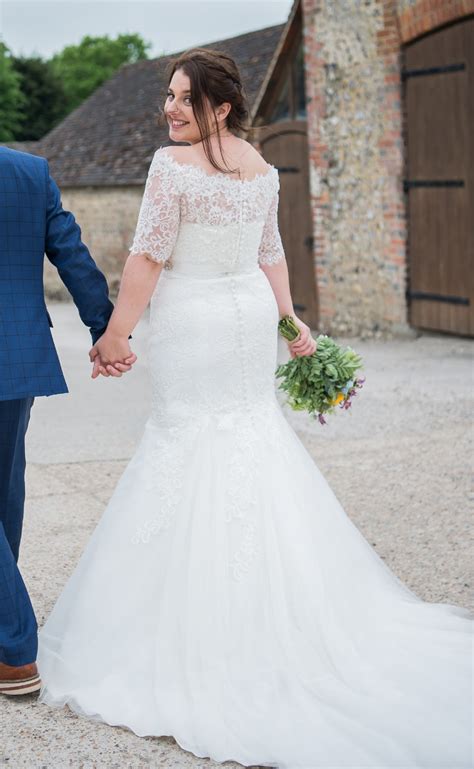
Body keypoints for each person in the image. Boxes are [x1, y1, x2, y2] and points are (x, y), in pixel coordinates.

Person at [36, 49, 472, 768]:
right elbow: (270, 253)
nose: (168, 110)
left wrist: (117, 332)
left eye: (182, 99)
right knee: (248, 435)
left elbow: (148, 257)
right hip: (242, 323)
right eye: (168, 98)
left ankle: (192, 632)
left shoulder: (169, 168)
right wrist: (288, 318)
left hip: (197, 321)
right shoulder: (264, 170)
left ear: (221, 105)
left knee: (187, 437)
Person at [0, 146, 136, 696]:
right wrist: (106, 329)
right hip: (17, 355)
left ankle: (14, 653)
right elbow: (72, 254)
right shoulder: (28, 172)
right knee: (6, 493)